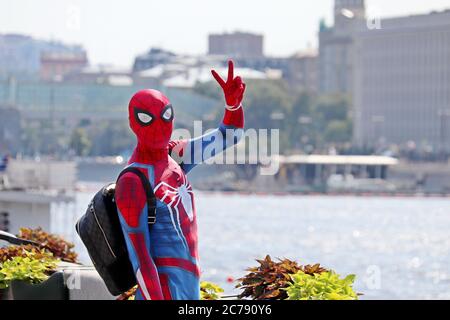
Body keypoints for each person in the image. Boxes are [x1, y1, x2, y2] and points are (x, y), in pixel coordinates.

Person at [115, 61, 246, 300]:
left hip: (189, 288)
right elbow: (141, 262)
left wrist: (232, 106)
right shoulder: (133, 182)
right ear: (133, 123)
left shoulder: (175, 156)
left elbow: (229, 136)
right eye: (147, 118)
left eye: (165, 116)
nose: (158, 126)